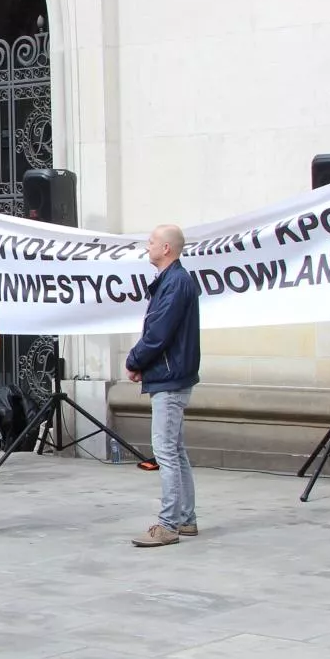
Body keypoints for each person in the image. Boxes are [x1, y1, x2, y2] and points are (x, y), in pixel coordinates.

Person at [122, 225, 204, 547]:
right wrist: (146, 365)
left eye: (152, 242)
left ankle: (169, 524)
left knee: (166, 451)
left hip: (171, 380)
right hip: (169, 375)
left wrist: (135, 360)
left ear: (167, 248)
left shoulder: (176, 283)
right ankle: (186, 519)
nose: (147, 246)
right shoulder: (172, 282)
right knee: (176, 451)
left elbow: (159, 334)